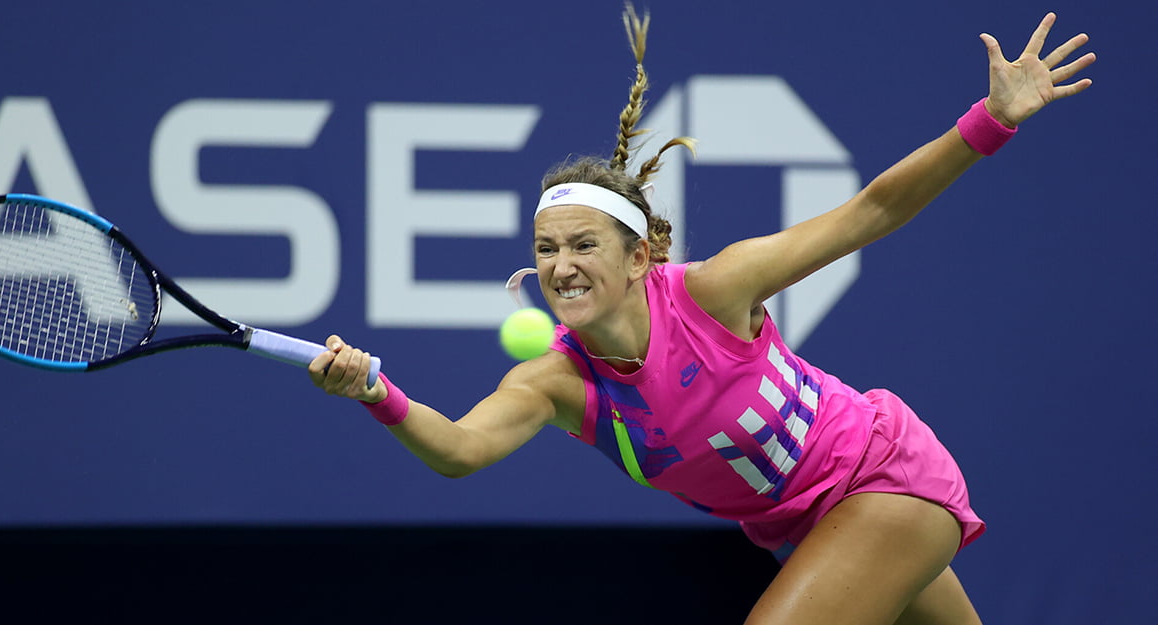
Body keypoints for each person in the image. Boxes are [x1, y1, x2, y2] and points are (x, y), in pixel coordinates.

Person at [310, 6, 1094, 624]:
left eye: (583, 244)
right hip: (807, 530)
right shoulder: (554, 384)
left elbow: (872, 210)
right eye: (546, 248)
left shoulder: (717, 288)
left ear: (639, 256)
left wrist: (992, 121)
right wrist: (377, 393)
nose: (561, 265)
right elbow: (459, 450)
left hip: (882, 479)